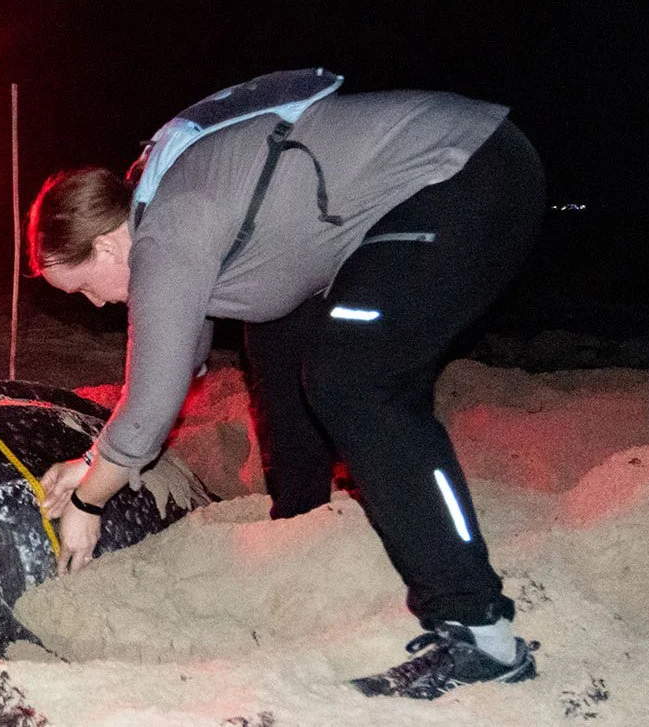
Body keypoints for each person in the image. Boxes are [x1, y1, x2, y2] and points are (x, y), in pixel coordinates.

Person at [27, 84, 545, 699]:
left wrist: (89, 503)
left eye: (86, 287)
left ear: (109, 244)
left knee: (355, 379)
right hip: (416, 196)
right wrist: (93, 460)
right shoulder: (161, 211)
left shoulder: (168, 229)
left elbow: (153, 402)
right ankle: (299, 521)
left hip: (465, 174)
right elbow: (180, 356)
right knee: (275, 339)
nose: (96, 304)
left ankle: (479, 628)